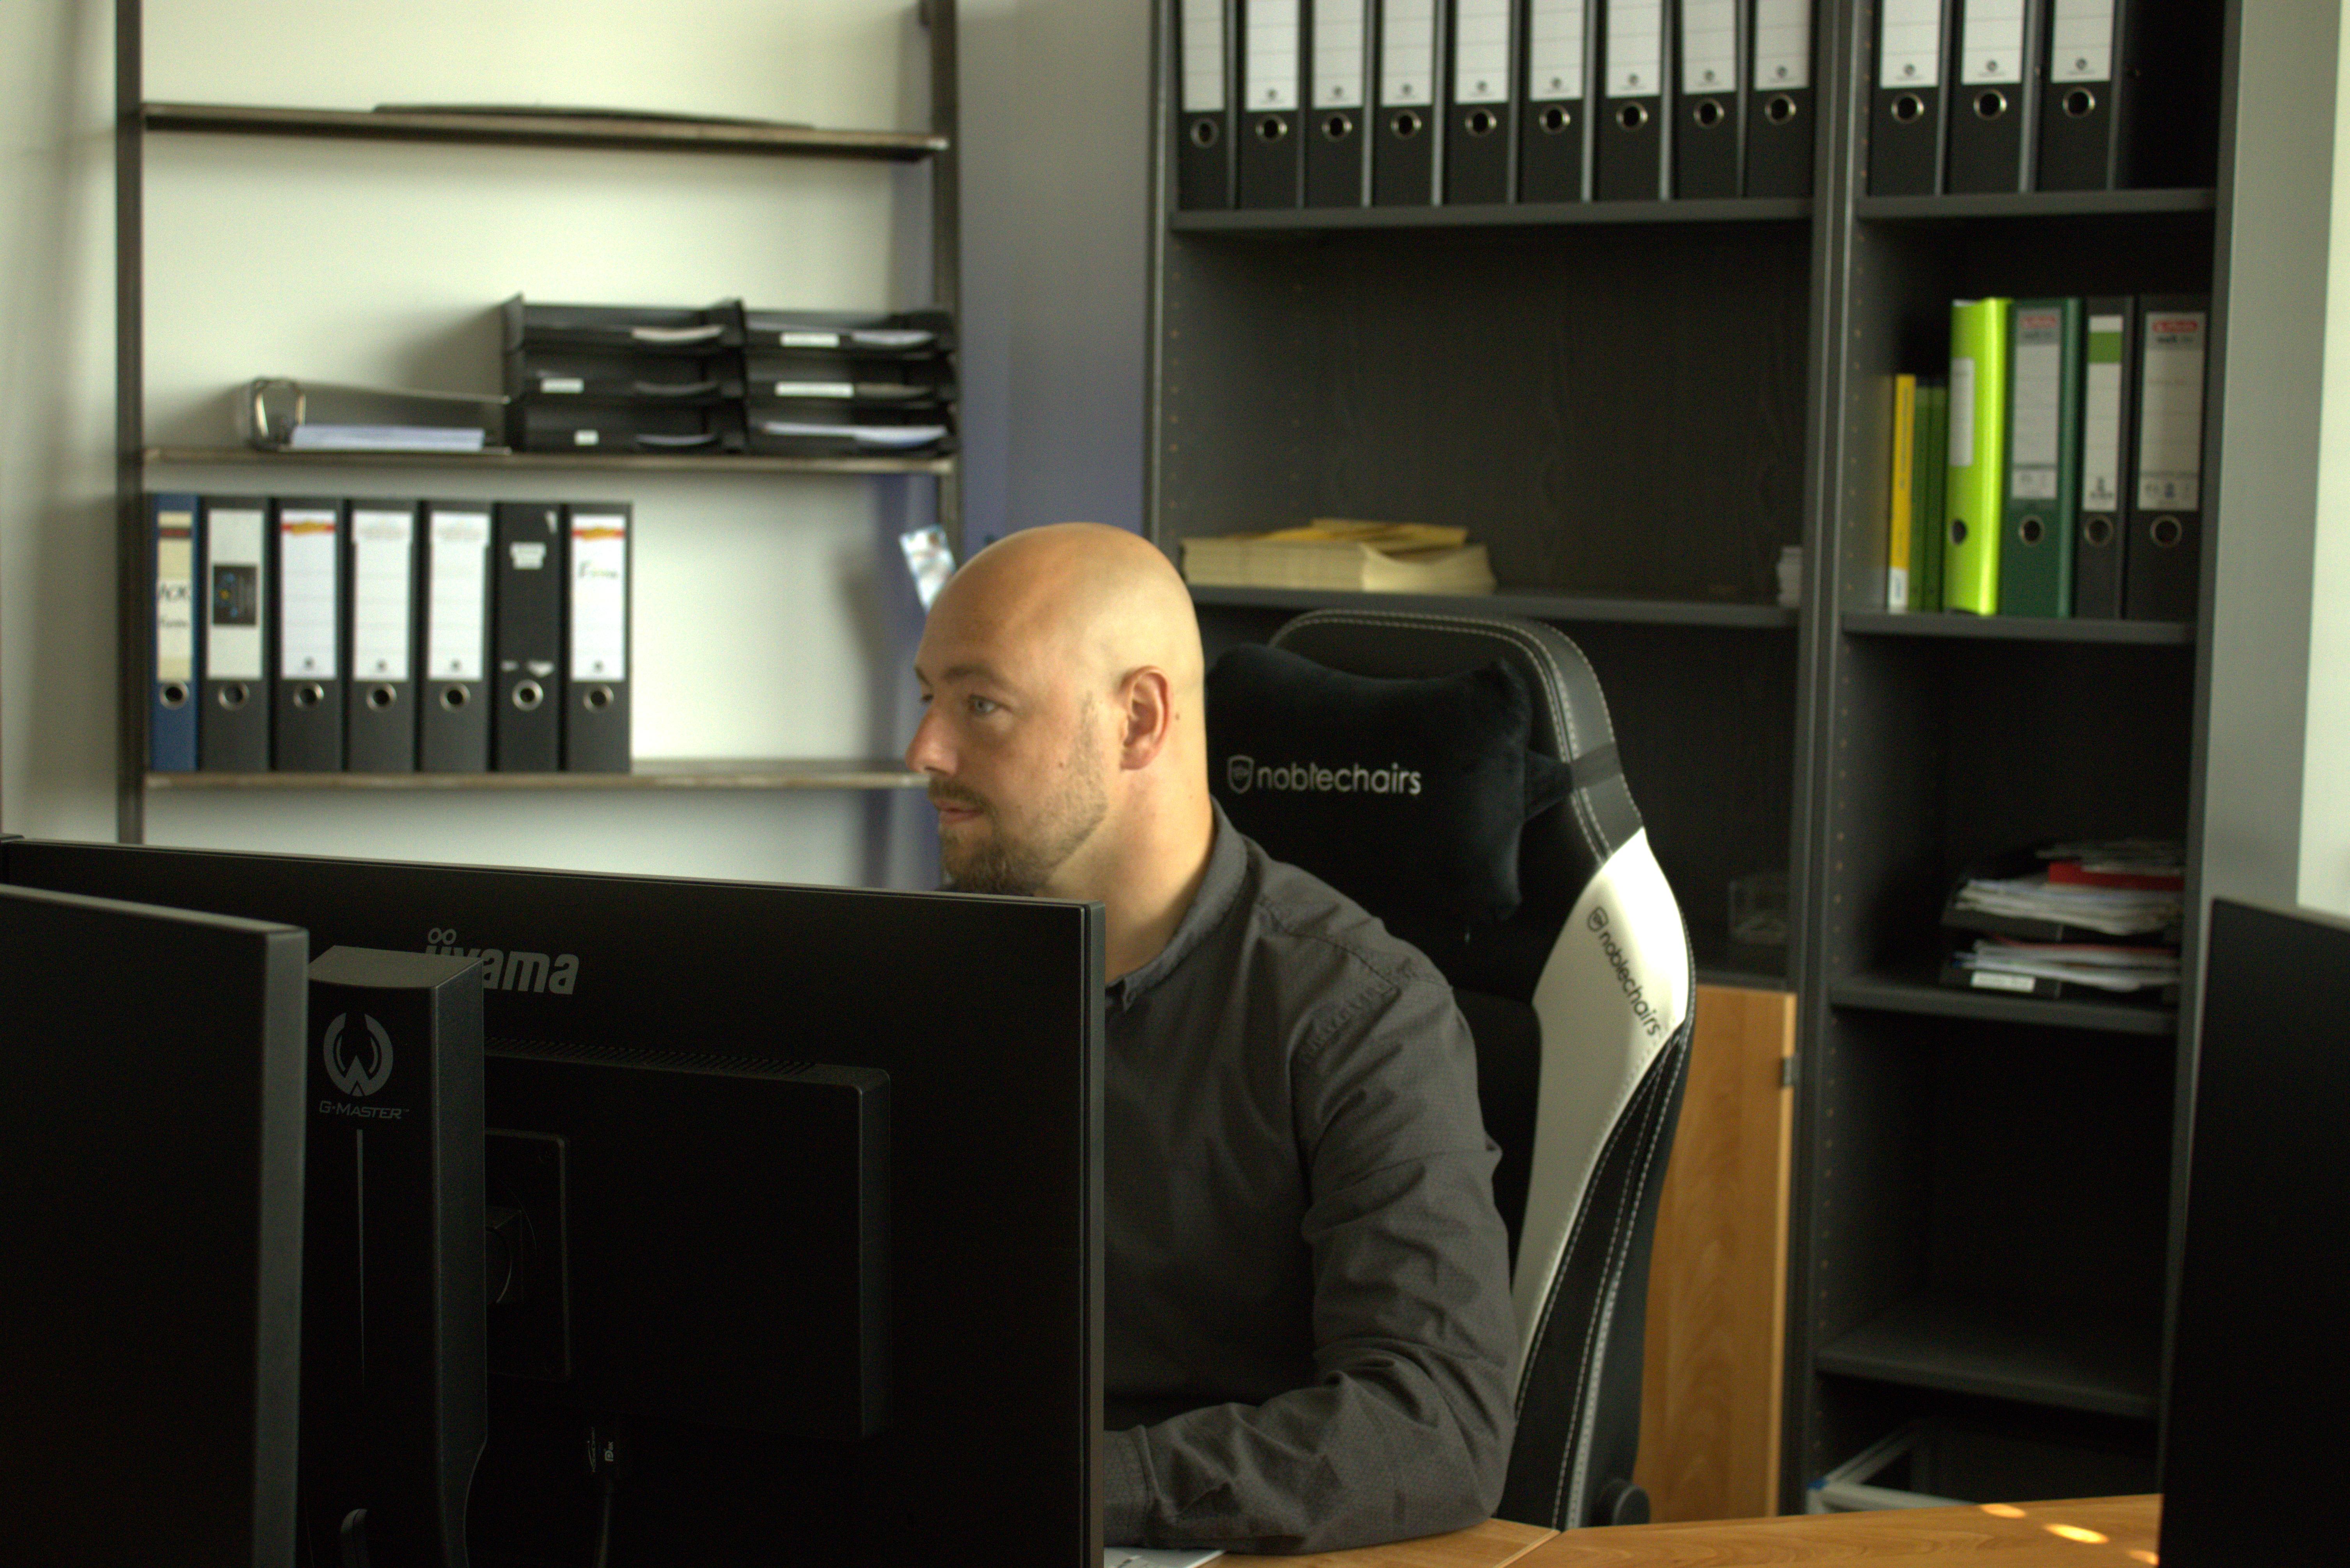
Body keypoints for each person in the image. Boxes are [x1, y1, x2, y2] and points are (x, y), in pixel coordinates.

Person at [904, 523, 1519, 1555]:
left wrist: (1058, 1486)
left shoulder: (1362, 1012)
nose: (924, 749)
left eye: (981, 704)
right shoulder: (920, 976)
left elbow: (1435, 1425)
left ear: (1139, 719)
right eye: (927, 698)